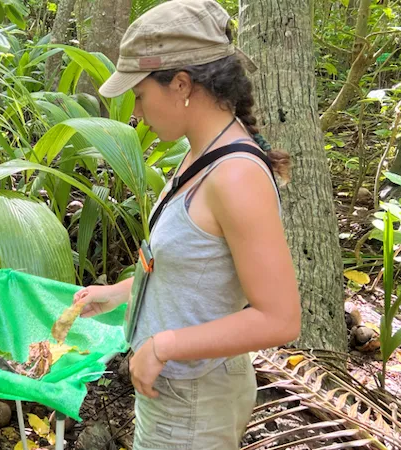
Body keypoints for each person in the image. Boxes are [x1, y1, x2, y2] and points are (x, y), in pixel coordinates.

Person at [71, 1, 302, 448]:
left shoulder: (235, 176)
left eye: (139, 95)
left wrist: (163, 346)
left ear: (181, 84)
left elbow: (280, 318)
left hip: (195, 403)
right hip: (175, 396)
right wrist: (119, 293)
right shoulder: (201, 153)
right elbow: (189, 271)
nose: (136, 112)